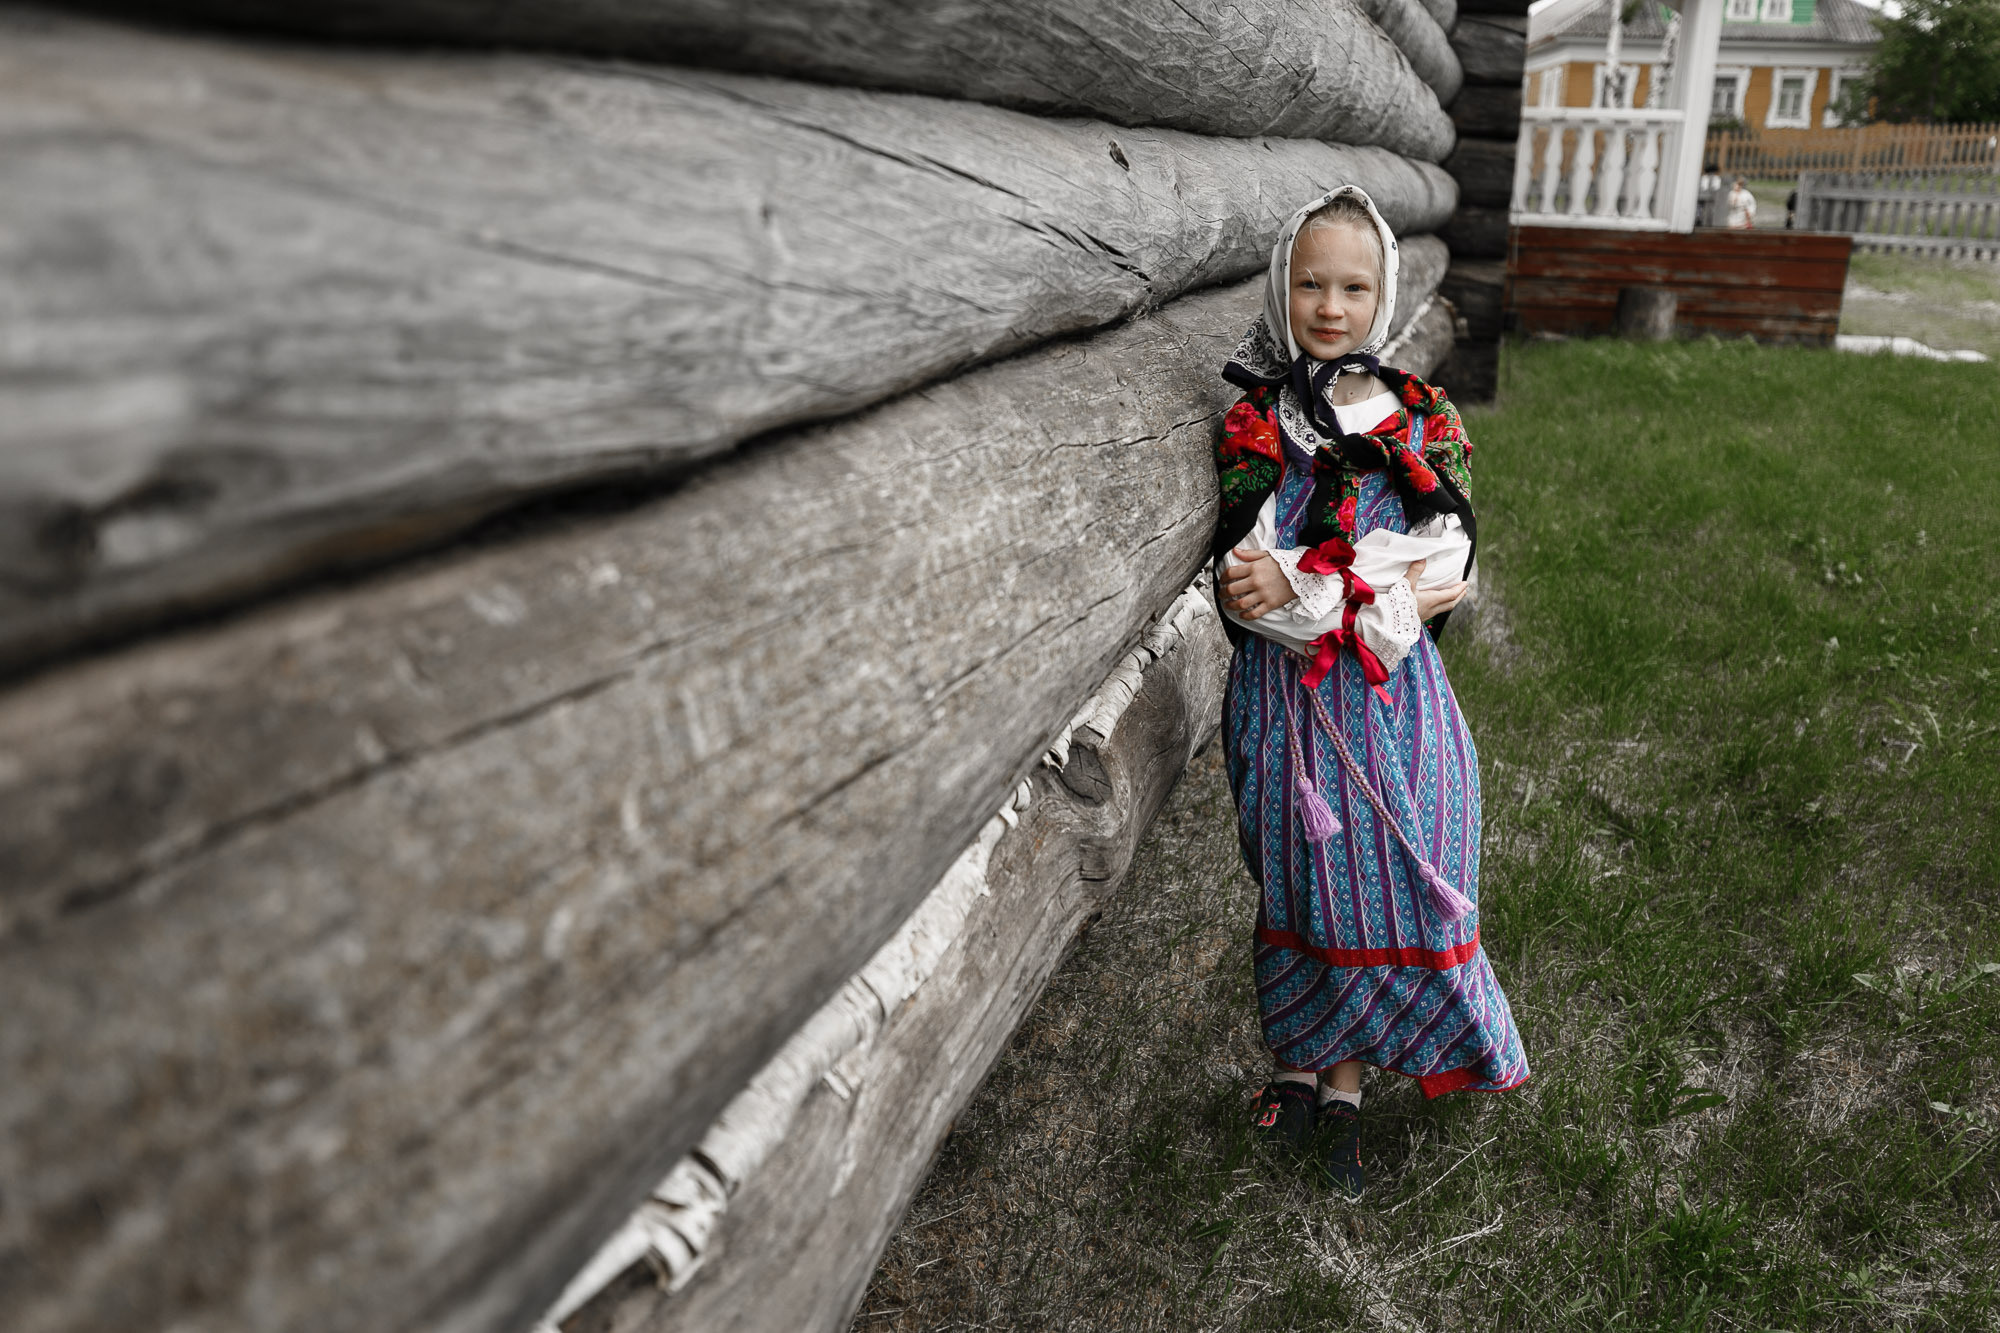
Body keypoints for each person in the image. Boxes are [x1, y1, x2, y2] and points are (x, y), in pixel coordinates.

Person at [1212, 187, 1529, 1196]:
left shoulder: (1420, 417)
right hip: (1285, 702)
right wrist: (1335, 589)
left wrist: (1326, 590)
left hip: (1387, 696)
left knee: (1388, 860)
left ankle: (1348, 1087)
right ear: (1281, 286)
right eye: (1310, 282)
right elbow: (1242, 578)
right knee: (1299, 870)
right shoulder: (1258, 421)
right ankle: (1296, 1069)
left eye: (1353, 286)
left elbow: (1448, 568)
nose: (1329, 305)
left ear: (1383, 294)